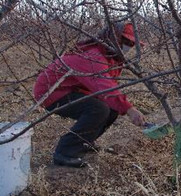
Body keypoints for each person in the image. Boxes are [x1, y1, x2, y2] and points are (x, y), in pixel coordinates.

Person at [33, 21, 147, 167]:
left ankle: (84, 143)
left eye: (131, 44)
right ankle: (64, 152)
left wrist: (122, 106)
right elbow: (105, 88)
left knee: (111, 109)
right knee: (99, 109)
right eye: (125, 41)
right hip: (51, 91)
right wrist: (129, 109)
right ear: (112, 38)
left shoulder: (111, 57)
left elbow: (109, 86)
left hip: (73, 89)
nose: (128, 47)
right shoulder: (94, 56)